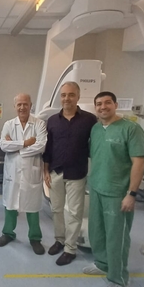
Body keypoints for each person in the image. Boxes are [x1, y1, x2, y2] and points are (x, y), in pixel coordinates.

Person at [83, 91, 144, 287]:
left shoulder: (131, 129)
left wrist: (131, 193)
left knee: (116, 236)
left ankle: (119, 278)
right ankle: (102, 263)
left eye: (107, 103)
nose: (103, 107)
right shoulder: (96, 129)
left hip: (118, 192)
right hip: (97, 187)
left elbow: (138, 163)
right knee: (97, 231)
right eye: (99, 104)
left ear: (116, 105)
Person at [43, 82, 97, 265]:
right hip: (56, 171)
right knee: (56, 209)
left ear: (78, 97)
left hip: (77, 173)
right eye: (64, 95)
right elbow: (48, 148)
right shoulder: (52, 120)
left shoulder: (89, 120)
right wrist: (45, 170)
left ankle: (70, 249)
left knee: (74, 213)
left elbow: (95, 145)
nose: (67, 98)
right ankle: (59, 240)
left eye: (71, 95)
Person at [0, 93, 47, 254]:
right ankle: (8, 233)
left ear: (31, 105)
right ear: (15, 106)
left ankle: (35, 238)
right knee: (10, 205)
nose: (22, 107)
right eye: (19, 104)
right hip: (13, 173)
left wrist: (17, 148)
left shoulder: (39, 124)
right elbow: (3, 145)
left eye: (25, 104)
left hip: (31, 172)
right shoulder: (9, 124)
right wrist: (25, 143)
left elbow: (41, 146)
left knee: (32, 207)